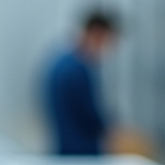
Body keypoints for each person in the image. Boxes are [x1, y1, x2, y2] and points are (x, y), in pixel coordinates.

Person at [46, 10, 119, 155]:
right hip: (81, 152)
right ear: (97, 33)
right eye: (107, 40)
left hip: (65, 147)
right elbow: (90, 114)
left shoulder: (61, 62)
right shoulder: (77, 69)